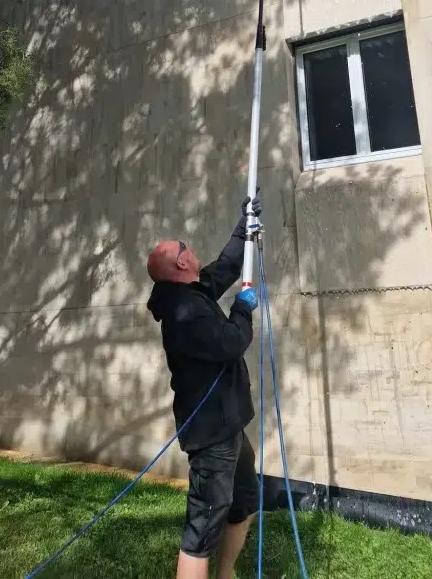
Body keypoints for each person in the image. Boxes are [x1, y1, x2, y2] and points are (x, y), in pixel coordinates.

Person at [146, 193, 262, 579]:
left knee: (243, 500)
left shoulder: (191, 294)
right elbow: (231, 342)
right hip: (211, 434)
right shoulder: (184, 312)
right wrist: (243, 307)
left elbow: (226, 267)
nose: (192, 249)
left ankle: (225, 574)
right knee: (202, 527)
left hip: (228, 426)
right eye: (187, 247)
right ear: (181, 261)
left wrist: (242, 229)